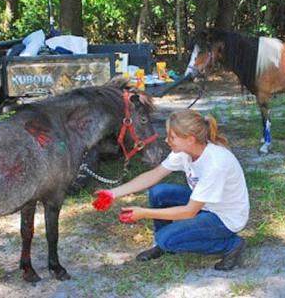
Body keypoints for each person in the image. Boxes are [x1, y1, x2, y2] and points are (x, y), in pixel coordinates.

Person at [92, 109, 250, 271]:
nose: (166, 140)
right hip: (207, 205)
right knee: (159, 192)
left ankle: (231, 244)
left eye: (172, 137)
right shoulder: (185, 151)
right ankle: (163, 244)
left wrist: (144, 213)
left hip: (225, 218)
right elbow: (154, 175)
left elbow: (188, 212)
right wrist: (112, 193)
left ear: (190, 139)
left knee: (167, 239)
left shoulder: (215, 164)